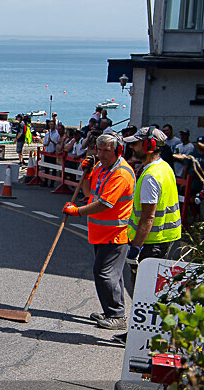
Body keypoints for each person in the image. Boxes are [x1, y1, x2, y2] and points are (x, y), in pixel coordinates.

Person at [62, 133, 135, 330]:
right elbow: (89, 193)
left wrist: (76, 211)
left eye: (106, 151)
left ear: (118, 151)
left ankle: (117, 316)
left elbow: (104, 204)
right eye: (99, 150)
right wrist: (86, 174)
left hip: (115, 233)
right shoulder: (101, 168)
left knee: (104, 273)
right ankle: (112, 310)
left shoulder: (121, 173)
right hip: (100, 231)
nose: (101, 155)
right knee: (112, 274)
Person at [124, 126, 182, 266]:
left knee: (141, 286)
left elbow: (147, 217)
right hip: (165, 239)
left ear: (149, 145)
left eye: (136, 143)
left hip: (150, 243)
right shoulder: (165, 167)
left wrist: (136, 248)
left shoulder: (150, 176)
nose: (131, 147)